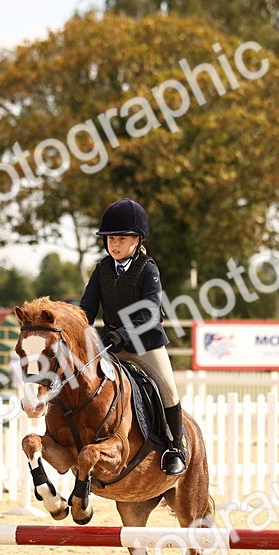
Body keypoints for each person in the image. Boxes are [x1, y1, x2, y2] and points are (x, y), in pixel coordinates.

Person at [79, 198, 188, 476]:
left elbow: (151, 312)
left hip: (144, 343)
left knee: (168, 388)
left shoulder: (148, 269)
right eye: (110, 238)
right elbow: (87, 309)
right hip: (111, 344)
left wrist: (122, 334)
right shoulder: (102, 268)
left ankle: (177, 446)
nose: (114, 244)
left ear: (137, 240)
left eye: (122, 238)